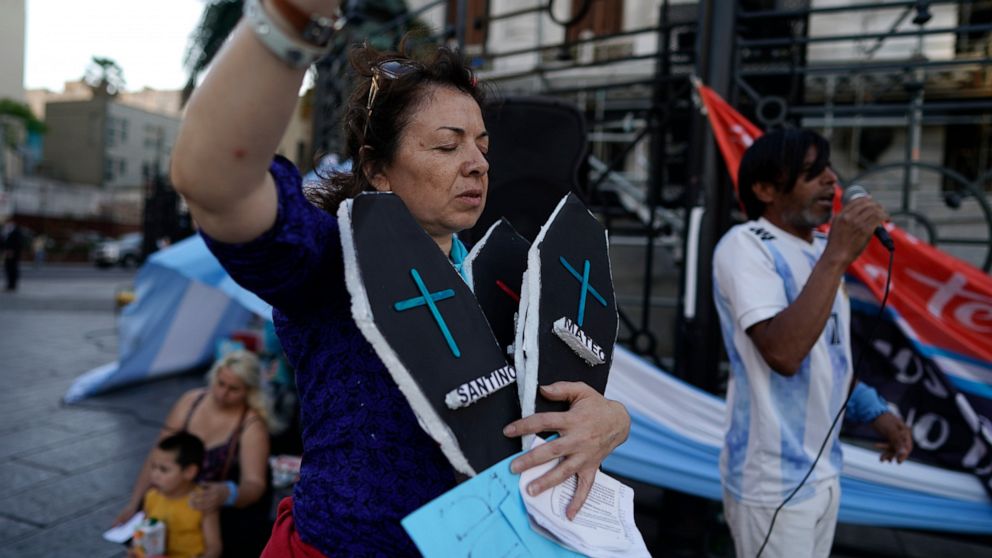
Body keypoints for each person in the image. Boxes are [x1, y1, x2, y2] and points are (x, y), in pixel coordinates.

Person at [169, 1, 631, 555]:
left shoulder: (513, 274)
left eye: (482, 146)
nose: (478, 164)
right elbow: (217, 184)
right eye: (446, 144)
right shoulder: (335, 262)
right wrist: (290, 20)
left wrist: (611, 421)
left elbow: (563, 404)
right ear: (376, 169)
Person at [712, 129, 914, 558]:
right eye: (812, 173)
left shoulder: (822, 249)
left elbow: (829, 358)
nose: (831, 181)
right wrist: (838, 257)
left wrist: (873, 411)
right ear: (765, 189)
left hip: (824, 470)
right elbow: (783, 353)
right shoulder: (746, 246)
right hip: (772, 481)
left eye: (828, 169)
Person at [116, 350, 273, 557]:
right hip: (170, 496)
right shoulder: (190, 402)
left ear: (249, 391)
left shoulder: (251, 425)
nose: (222, 394)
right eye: (220, 383)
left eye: (233, 389)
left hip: (210, 510)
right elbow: (158, 455)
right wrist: (134, 504)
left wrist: (228, 493)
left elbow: (255, 484)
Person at [134, 431, 222, 558]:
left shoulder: (202, 500)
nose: (155, 475)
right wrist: (137, 550)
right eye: (153, 467)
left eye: (164, 470)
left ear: (189, 472)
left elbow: (214, 548)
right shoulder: (151, 496)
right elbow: (145, 531)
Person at [1, 218, 23, 291]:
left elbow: (18, 243)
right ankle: (9, 285)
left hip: (13, 254)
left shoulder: (16, 231)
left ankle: (12, 285)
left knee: (13, 269)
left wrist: (12, 251)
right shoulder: (6, 231)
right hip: (6, 253)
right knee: (7, 269)